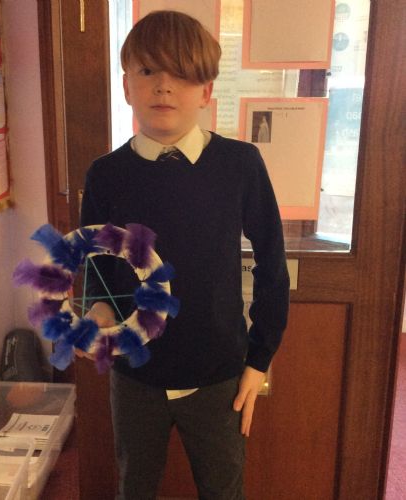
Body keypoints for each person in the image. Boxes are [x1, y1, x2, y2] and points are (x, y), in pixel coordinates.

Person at [77, 10, 290, 500]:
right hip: (135, 373)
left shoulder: (240, 165)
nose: (164, 86)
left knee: (223, 489)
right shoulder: (105, 174)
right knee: (134, 488)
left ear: (206, 91)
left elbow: (272, 263)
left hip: (219, 374)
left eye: (181, 74)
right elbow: (95, 264)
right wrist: (98, 307)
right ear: (127, 86)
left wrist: (259, 360)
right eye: (148, 70)